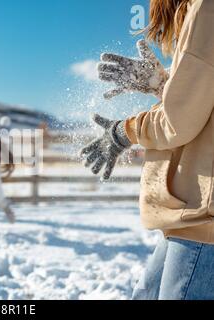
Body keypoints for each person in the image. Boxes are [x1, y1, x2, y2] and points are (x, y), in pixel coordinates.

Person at [80, 0, 214, 299]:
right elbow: (200, 105)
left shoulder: (207, 8)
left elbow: (180, 121)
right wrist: (164, 85)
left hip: (204, 219)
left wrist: (124, 131)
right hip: (193, 214)